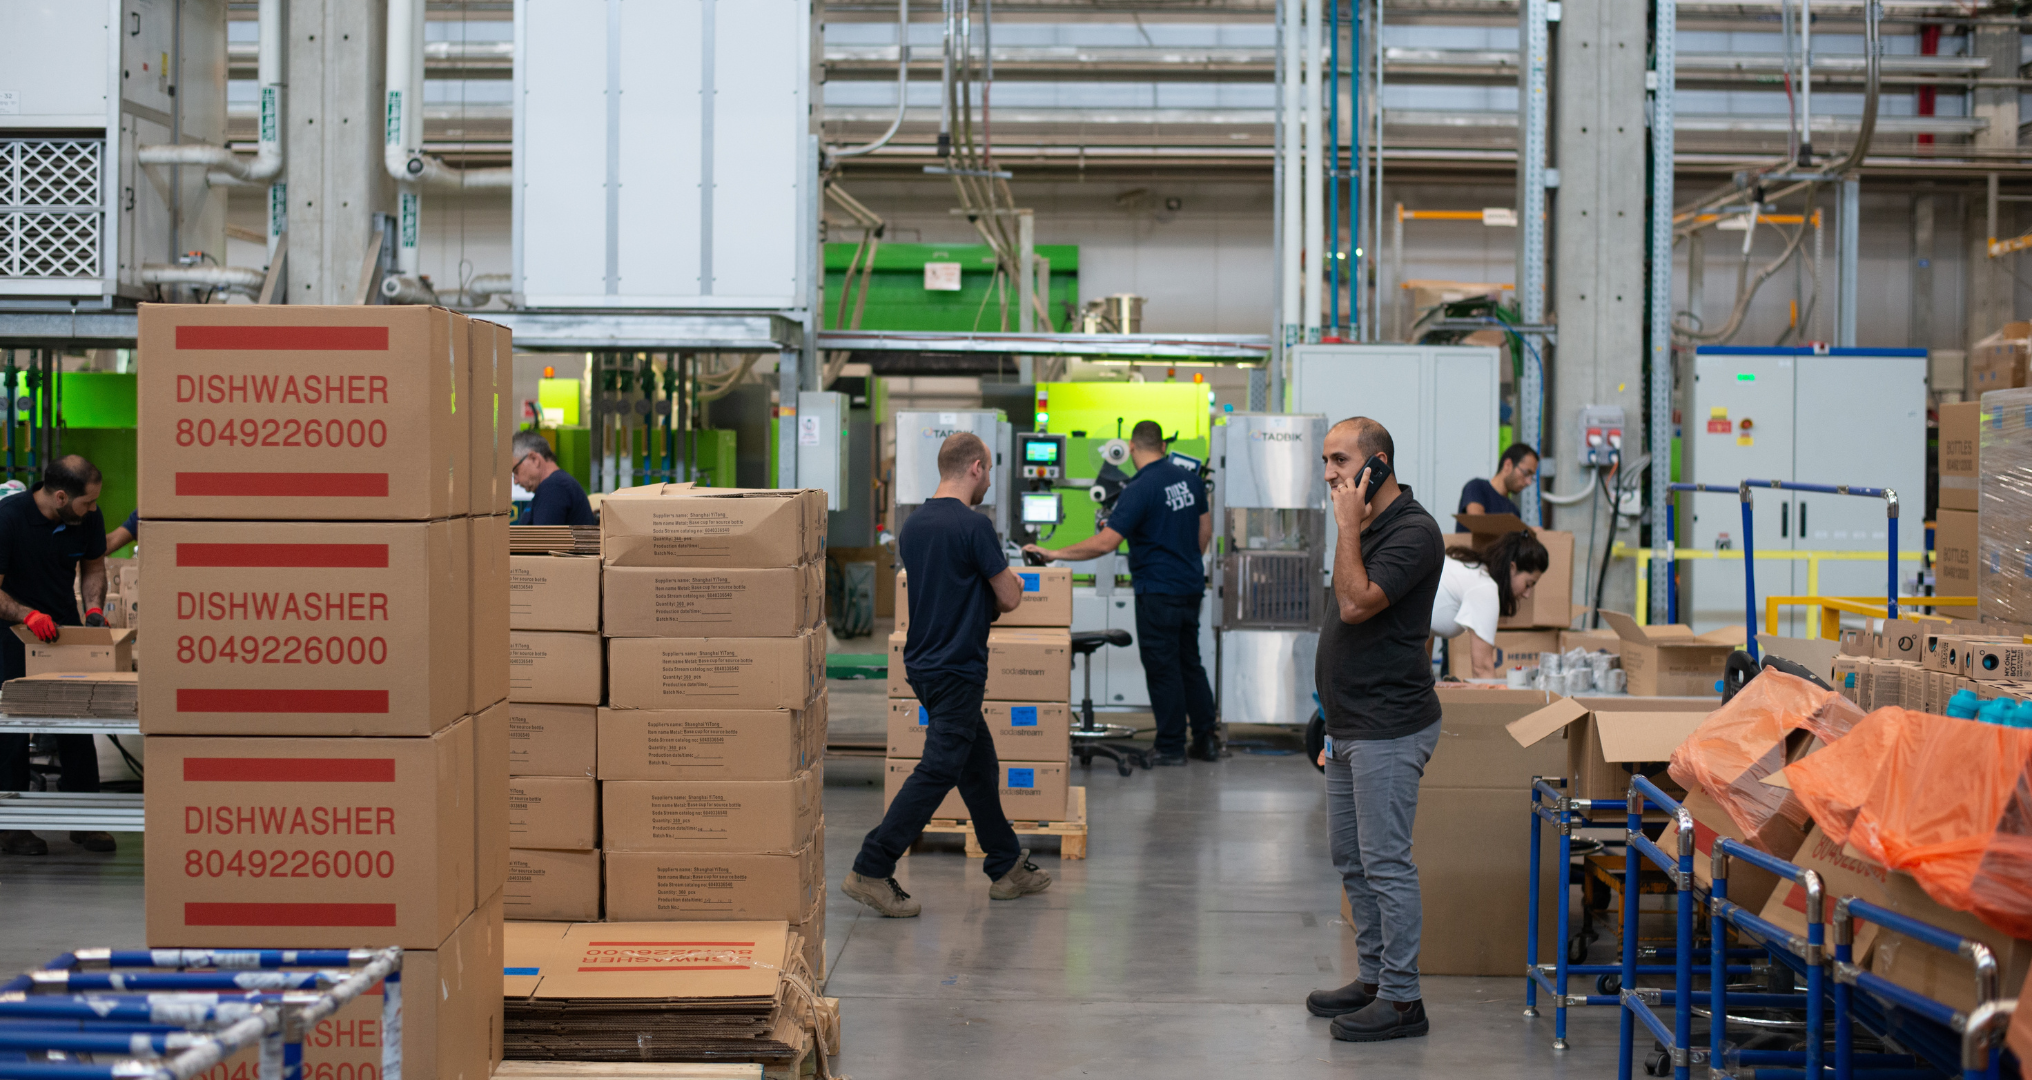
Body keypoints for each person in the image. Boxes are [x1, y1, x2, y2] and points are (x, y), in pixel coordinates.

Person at [843, 432, 1054, 917]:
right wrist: (1010, 580)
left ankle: (1005, 866)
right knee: (939, 769)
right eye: (988, 474)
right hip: (958, 667)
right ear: (976, 467)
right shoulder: (973, 526)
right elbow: (1009, 597)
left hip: (924, 664)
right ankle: (871, 867)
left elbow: (948, 588)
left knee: (978, 767)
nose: (987, 483)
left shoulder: (915, 526)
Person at [1305, 417, 1444, 1042]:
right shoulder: (1363, 527)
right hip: (1349, 723)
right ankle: (1372, 980)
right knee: (1351, 859)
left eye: (1339, 460)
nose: (1329, 472)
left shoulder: (1414, 533)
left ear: (1377, 464)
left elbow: (1358, 603)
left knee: (1385, 862)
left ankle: (1403, 998)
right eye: (1326, 461)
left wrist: (1345, 526)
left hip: (1389, 725)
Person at [1023, 420, 1215, 764]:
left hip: (1158, 590)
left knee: (1163, 668)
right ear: (1162, 444)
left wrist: (1054, 553)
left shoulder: (1140, 488)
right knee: (1190, 664)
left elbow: (1106, 542)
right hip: (1189, 586)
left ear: (1130, 447)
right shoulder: (1189, 479)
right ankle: (1206, 740)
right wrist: (1185, 561)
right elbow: (1205, 529)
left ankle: (1170, 747)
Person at [0, 456, 116, 857]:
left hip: (63, 625)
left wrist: (95, 608)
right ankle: (11, 827)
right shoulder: (8, 520)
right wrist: (27, 615)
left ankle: (87, 820)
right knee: (12, 727)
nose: (94, 509)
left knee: (77, 718)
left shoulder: (87, 518)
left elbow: (94, 566)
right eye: (87, 502)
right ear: (62, 496)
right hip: (12, 629)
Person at [1430, 530, 1549, 679]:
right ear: (1512, 568)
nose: (1527, 594)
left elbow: (1425, 624)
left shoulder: (1472, 570)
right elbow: (1482, 668)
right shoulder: (1485, 589)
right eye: (1528, 584)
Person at [511, 431, 596, 526]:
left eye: (516, 471)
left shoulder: (554, 487)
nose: (515, 481)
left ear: (534, 459)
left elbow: (543, 539)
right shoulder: (554, 486)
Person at [1457, 442, 1539, 517]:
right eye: (1526, 473)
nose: (1529, 482)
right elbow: (1477, 521)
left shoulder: (1513, 511)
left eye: (1531, 477)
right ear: (1508, 465)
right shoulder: (1476, 487)